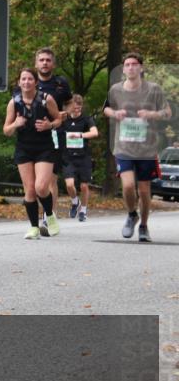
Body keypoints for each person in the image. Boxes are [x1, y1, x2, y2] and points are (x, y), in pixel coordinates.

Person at [102, 52, 172, 242]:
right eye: (127, 64)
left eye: (134, 64)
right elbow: (106, 109)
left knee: (143, 190)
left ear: (141, 68)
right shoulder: (116, 89)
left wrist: (151, 114)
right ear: (123, 69)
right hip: (123, 147)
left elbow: (167, 112)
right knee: (128, 186)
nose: (131, 67)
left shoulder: (153, 89)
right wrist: (115, 113)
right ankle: (132, 214)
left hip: (147, 148)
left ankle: (143, 226)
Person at [3, 68, 63, 239]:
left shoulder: (46, 99)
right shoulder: (14, 103)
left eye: (30, 79)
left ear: (36, 82)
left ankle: (50, 216)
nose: (27, 82)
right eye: (24, 79)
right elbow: (6, 130)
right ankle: (34, 227)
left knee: (41, 187)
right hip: (24, 149)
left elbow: (59, 119)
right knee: (29, 190)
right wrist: (15, 124)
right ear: (19, 82)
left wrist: (49, 125)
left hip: (44, 147)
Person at [32, 48, 72, 218]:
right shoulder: (29, 83)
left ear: (53, 64)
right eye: (41, 60)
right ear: (36, 63)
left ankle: (50, 216)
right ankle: (38, 215)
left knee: (50, 179)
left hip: (55, 134)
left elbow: (70, 103)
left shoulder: (61, 83)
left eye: (48, 60)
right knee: (35, 183)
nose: (45, 63)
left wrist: (66, 113)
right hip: (32, 137)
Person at [61, 94, 98, 222]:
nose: (77, 110)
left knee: (83, 186)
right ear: (69, 107)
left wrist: (80, 135)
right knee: (70, 184)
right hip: (68, 157)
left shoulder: (86, 119)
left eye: (79, 108)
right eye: (74, 108)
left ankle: (83, 210)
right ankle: (75, 202)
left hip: (83, 157)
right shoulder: (64, 119)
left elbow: (94, 132)